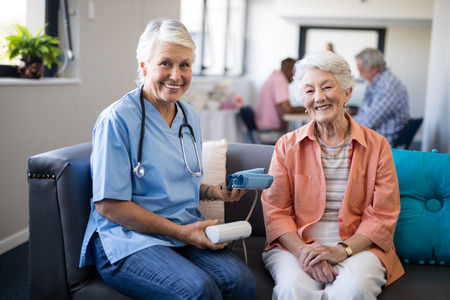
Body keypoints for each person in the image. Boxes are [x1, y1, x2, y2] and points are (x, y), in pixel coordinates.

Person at [78, 18, 256, 300]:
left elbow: (172, 180)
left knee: (242, 281)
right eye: (166, 63)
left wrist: (213, 192)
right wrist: (183, 233)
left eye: (185, 65)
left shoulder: (189, 116)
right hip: (129, 238)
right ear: (144, 66)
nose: (176, 75)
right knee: (199, 290)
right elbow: (109, 206)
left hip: (180, 230)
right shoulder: (117, 119)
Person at [261, 51, 404, 300]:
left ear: (347, 92)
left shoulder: (378, 145)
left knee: (352, 290)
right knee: (291, 289)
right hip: (296, 243)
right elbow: (276, 210)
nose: (319, 98)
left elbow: (382, 215)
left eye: (327, 87)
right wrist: (303, 252)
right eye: (309, 91)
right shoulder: (286, 145)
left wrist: (341, 251)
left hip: (359, 244)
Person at [352, 47, 410, 145]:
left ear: (373, 69)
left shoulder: (388, 86)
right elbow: (366, 112)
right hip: (375, 138)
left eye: (361, 71)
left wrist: (341, 120)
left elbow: (367, 123)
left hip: (380, 145)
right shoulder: (378, 83)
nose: (360, 75)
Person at [255, 58, 306, 132]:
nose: (295, 75)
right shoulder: (279, 80)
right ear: (288, 69)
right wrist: (308, 108)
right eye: (295, 71)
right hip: (270, 132)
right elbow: (287, 109)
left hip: (264, 128)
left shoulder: (274, 77)